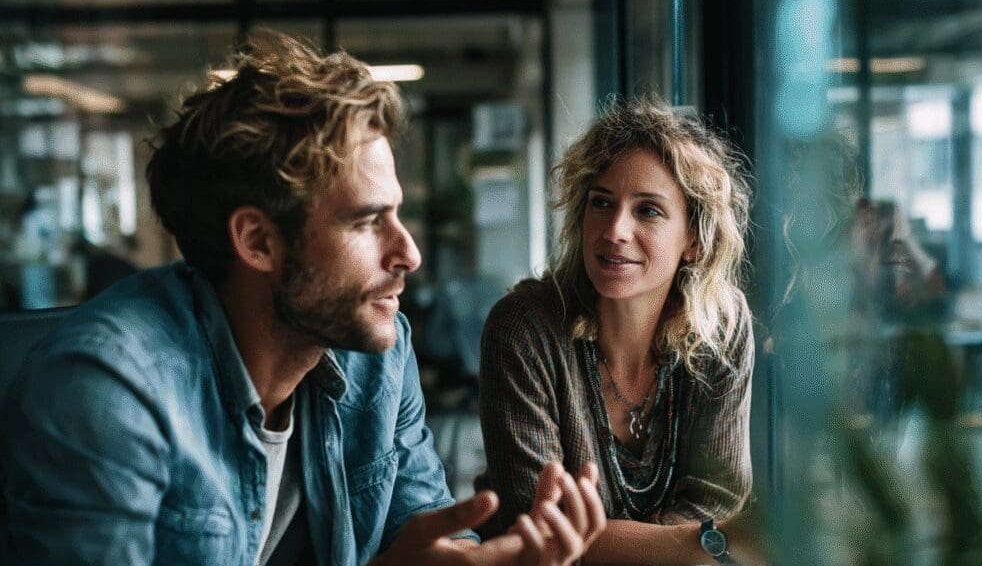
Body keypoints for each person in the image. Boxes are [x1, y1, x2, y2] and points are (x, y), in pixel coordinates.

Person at [1, 31, 605, 566]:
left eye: (398, 215)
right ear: (258, 241)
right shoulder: (108, 392)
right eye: (368, 222)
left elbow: (425, 536)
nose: (409, 254)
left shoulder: (378, 357)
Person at [477, 97, 756, 564]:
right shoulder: (524, 328)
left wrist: (605, 542)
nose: (615, 230)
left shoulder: (722, 328)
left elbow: (715, 498)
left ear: (693, 238)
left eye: (648, 210)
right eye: (601, 203)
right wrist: (714, 540)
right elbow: (541, 532)